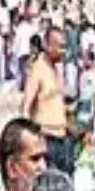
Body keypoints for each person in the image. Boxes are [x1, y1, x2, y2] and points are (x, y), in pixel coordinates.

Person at [23, 27, 74, 174]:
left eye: (65, 46)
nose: (63, 51)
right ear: (47, 46)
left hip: (63, 138)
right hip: (46, 139)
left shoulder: (57, 69)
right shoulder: (37, 70)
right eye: (60, 47)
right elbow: (26, 107)